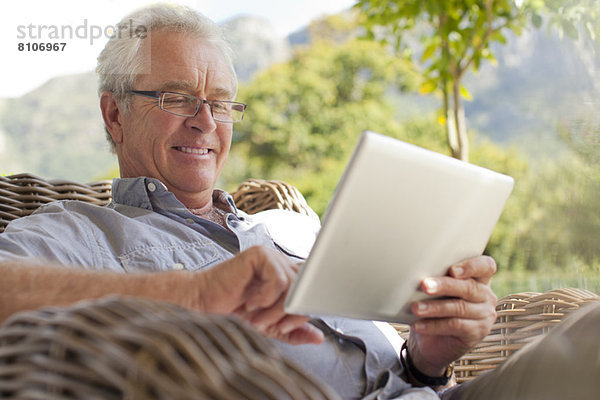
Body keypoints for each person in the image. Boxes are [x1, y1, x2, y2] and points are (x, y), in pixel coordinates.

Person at [1, 4, 597, 399]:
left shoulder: (291, 224)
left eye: (223, 102)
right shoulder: (79, 234)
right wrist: (188, 294)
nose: (206, 122)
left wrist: (427, 356)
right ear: (115, 114)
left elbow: (404, 373)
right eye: (177, 96)